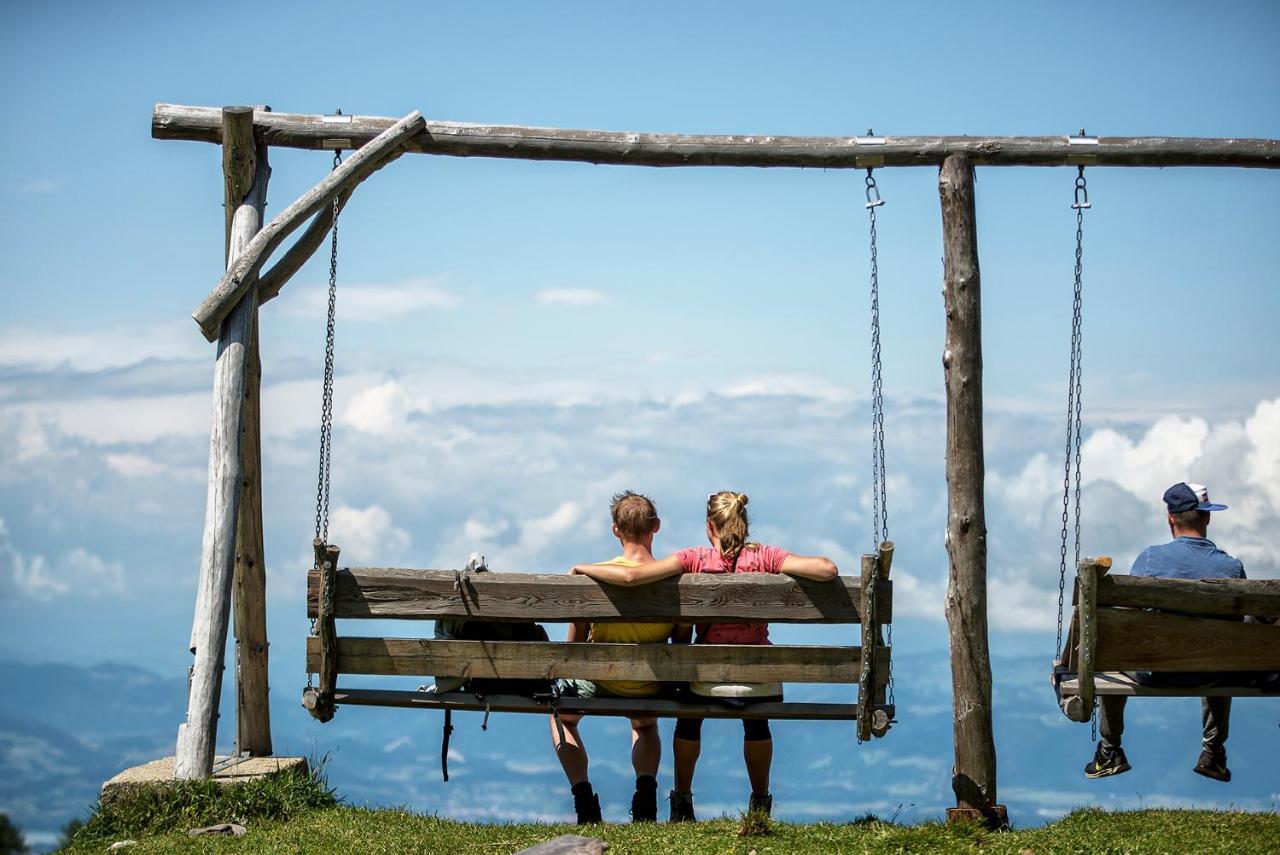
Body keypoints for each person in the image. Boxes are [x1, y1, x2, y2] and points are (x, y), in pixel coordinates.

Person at [571, 490, 838, 821]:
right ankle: (759, 802)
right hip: (760, 679)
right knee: (757, 724)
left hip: (706, 679)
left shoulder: (694, 559)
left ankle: (682, 800)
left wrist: (583, 568)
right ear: (743, 522)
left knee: (688, 718)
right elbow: (827, 569)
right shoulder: (767, 557)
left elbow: (631, 577)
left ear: (710, 525)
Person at [1084, 481, 1245, 783]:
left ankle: (1110, 751)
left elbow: (1127, 623)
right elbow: (1237, 629)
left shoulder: (1150, 559)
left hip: (1154, 671)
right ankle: (1213, 753)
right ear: (1207, 517)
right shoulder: (1231, 568)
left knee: (1114, 644)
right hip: (1211, 673)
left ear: (1170, 517)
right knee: (1222, 650)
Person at [551, 491, 681, 824]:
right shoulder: (675, 580)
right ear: (657, 527)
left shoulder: (592, 578)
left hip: (602, 681)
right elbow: (682, 643)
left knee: (560, 717)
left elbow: (575, 649)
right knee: (645, 724)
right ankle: (646, 795)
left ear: (615, 530)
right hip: (650, 686)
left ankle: (584, 801)